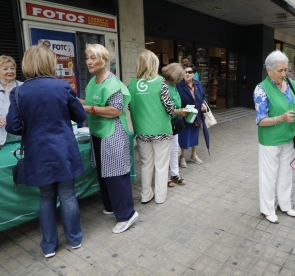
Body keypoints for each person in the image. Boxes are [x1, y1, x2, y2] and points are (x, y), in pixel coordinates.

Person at [6, 45, 86, 258]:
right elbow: (79, 116)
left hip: (37, 151)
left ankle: (49, 246)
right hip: (63, 149)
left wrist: (31, 124)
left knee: (46, 197)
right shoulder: (62, 87)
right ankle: (75, 239)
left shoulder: (19, 91)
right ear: (50, 63)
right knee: (68, 195)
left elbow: (13, 127)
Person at [81, 44, 138, 234]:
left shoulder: (113, 83)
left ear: (104, 60)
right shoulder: (92, 82)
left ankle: (127, 215)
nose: (89, 61)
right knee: (103, 172)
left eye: (93, 58)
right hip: (97, 132)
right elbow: (88, 103)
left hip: (113, 133)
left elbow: (116, 110)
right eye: (88, 57)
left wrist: (89, 109)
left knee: (115, 174)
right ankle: (111, 205)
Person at [253, 50, 295, 224]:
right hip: (270, 140)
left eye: (285, 70)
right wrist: (280, 118)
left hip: (288, 137)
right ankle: (267, 209)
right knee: (269, 174)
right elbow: (260, 120)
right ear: (269, 70)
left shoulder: (292, 85)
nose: (283, 74)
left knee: (285, 173)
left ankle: (284, 204)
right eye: (279, 71)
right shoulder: (261, 89)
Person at [129, 50, 176, 204]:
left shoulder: (132, 83)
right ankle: (160, 197)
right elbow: (169, 108)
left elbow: (130, 106)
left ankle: (145, 194)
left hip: (142, 131)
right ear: (154, 64)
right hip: (161, 130)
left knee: (146, 163)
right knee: (161, 165)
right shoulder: (160, 82)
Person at [161, 63, 188, 187]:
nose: (180, 80)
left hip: (174, 123)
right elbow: (164, 108)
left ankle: (175, 174)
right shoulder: (164, 86)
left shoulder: (174, 85)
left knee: (174, 150)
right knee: (165, 151)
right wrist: (179, 111)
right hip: (166, 123)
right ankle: (165, 177)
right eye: (179, 78)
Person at [177, 63, 209, 167]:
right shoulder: (179, 85)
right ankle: (182, 157)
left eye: (189, 72)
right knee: (183, 135)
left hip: (196, 115)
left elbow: (203, 98)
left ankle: (193, 155)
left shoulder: (198, 84)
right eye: (185, 72)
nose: (187, 74)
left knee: (195, 135)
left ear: (194, 73)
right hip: (185, 115)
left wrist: (203, 105)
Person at [0, 55, 22, 150]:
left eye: (12, 68)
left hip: (23, 137)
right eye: (5, 68)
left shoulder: (24, 87)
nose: (10, 71)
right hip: (2, 141)